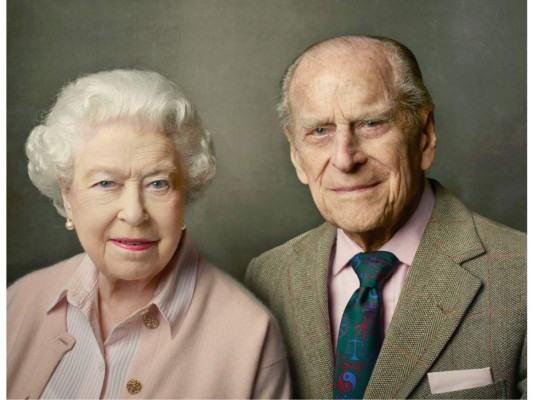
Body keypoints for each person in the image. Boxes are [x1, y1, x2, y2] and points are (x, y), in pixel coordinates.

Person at [246, 35, 526, 399]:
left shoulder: (522, 275)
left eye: (371, 123)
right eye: (319, 131)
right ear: (297, 156)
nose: (345, 159)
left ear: (424, 136)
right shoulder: (265, 279)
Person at [8, 69, 291, 399]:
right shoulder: (18, 303)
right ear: (68, 198)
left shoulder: (251, 337)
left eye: (158, 183)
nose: (134, 212)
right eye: (105, 183)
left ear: (185, 194)